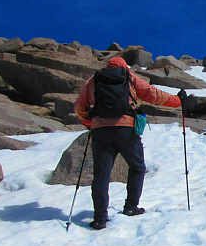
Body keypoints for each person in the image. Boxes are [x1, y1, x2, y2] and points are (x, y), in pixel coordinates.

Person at [74, 56, 184, 230]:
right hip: (125, 129)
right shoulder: (128, 77)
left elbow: (80, 107)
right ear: (124, 66)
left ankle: (100, 218)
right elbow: (152, 94)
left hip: (100, 131)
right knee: (137, 167)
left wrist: (91, 124)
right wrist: (178, 101)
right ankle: (131, 207)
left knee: (102, 174)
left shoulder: (93, 81)